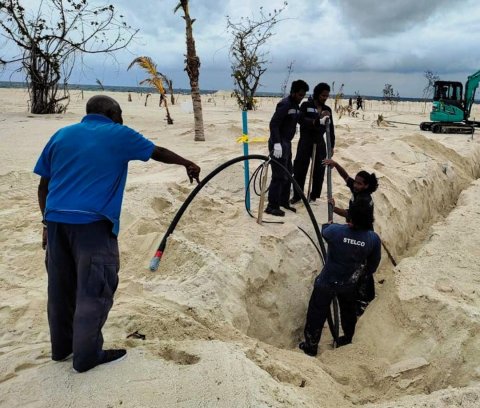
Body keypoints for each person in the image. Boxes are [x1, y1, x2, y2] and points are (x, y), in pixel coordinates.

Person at [34, 95, 201, 373]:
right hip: (93, 224)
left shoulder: (61, 135)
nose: (122, 118)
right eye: (120, 113)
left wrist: (45, 224)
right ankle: (86, 356)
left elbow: (43, 186)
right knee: (95, 288)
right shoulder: (118, 133)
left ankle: (62, 348)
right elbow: (156, 152)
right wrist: (187, 163)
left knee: (60, 289)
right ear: (112, 113)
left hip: (55, 222)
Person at [299, 200, 382, 357]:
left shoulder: (336, 231)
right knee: (348, 312)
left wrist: (330, 223)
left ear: (350, 219)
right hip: (349, 283)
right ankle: (347, 339)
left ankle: (310, 345)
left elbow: (325, 230)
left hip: (327, 281)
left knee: (317, 312)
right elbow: (372, 267)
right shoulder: (373, 239)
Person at [322, 158, 378, 315]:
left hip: (364, 234)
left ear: (366, 185)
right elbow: (346, 178)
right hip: (358, 229)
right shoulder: (358, 190)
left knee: (363, 268)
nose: (355, 185)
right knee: (360, 267)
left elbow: (350, 215)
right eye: (356, 182)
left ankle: (364, 299)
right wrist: (335, 164)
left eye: (359, 183)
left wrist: (334, 208)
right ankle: (361, 296)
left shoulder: (364, 199)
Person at [265, 79, 309, 216]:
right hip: (278, 144)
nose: (302, 98)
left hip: (287, 144)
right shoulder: (285, 104)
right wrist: (276, 143)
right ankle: (272, 206)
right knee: (278, 176)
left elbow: (302, 120)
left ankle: (283, 202)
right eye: (300, 95)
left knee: (288, 174)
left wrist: (317, 121)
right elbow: (274, 124)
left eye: (304, 95)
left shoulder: (296, 106)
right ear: (293, 92)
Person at [290, 82, 335, 204]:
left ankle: (314, 195)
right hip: (306, 140)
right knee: (300, 168)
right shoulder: (306, 105)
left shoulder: (327, 110)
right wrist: (316, 121)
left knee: (319, 170)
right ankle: (297, 195)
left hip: (320, 142)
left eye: (326, 96)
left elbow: (331, 130)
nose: (324, 98)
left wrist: (332, 146)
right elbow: (301, 119)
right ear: (317, 94)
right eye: (322, 96)